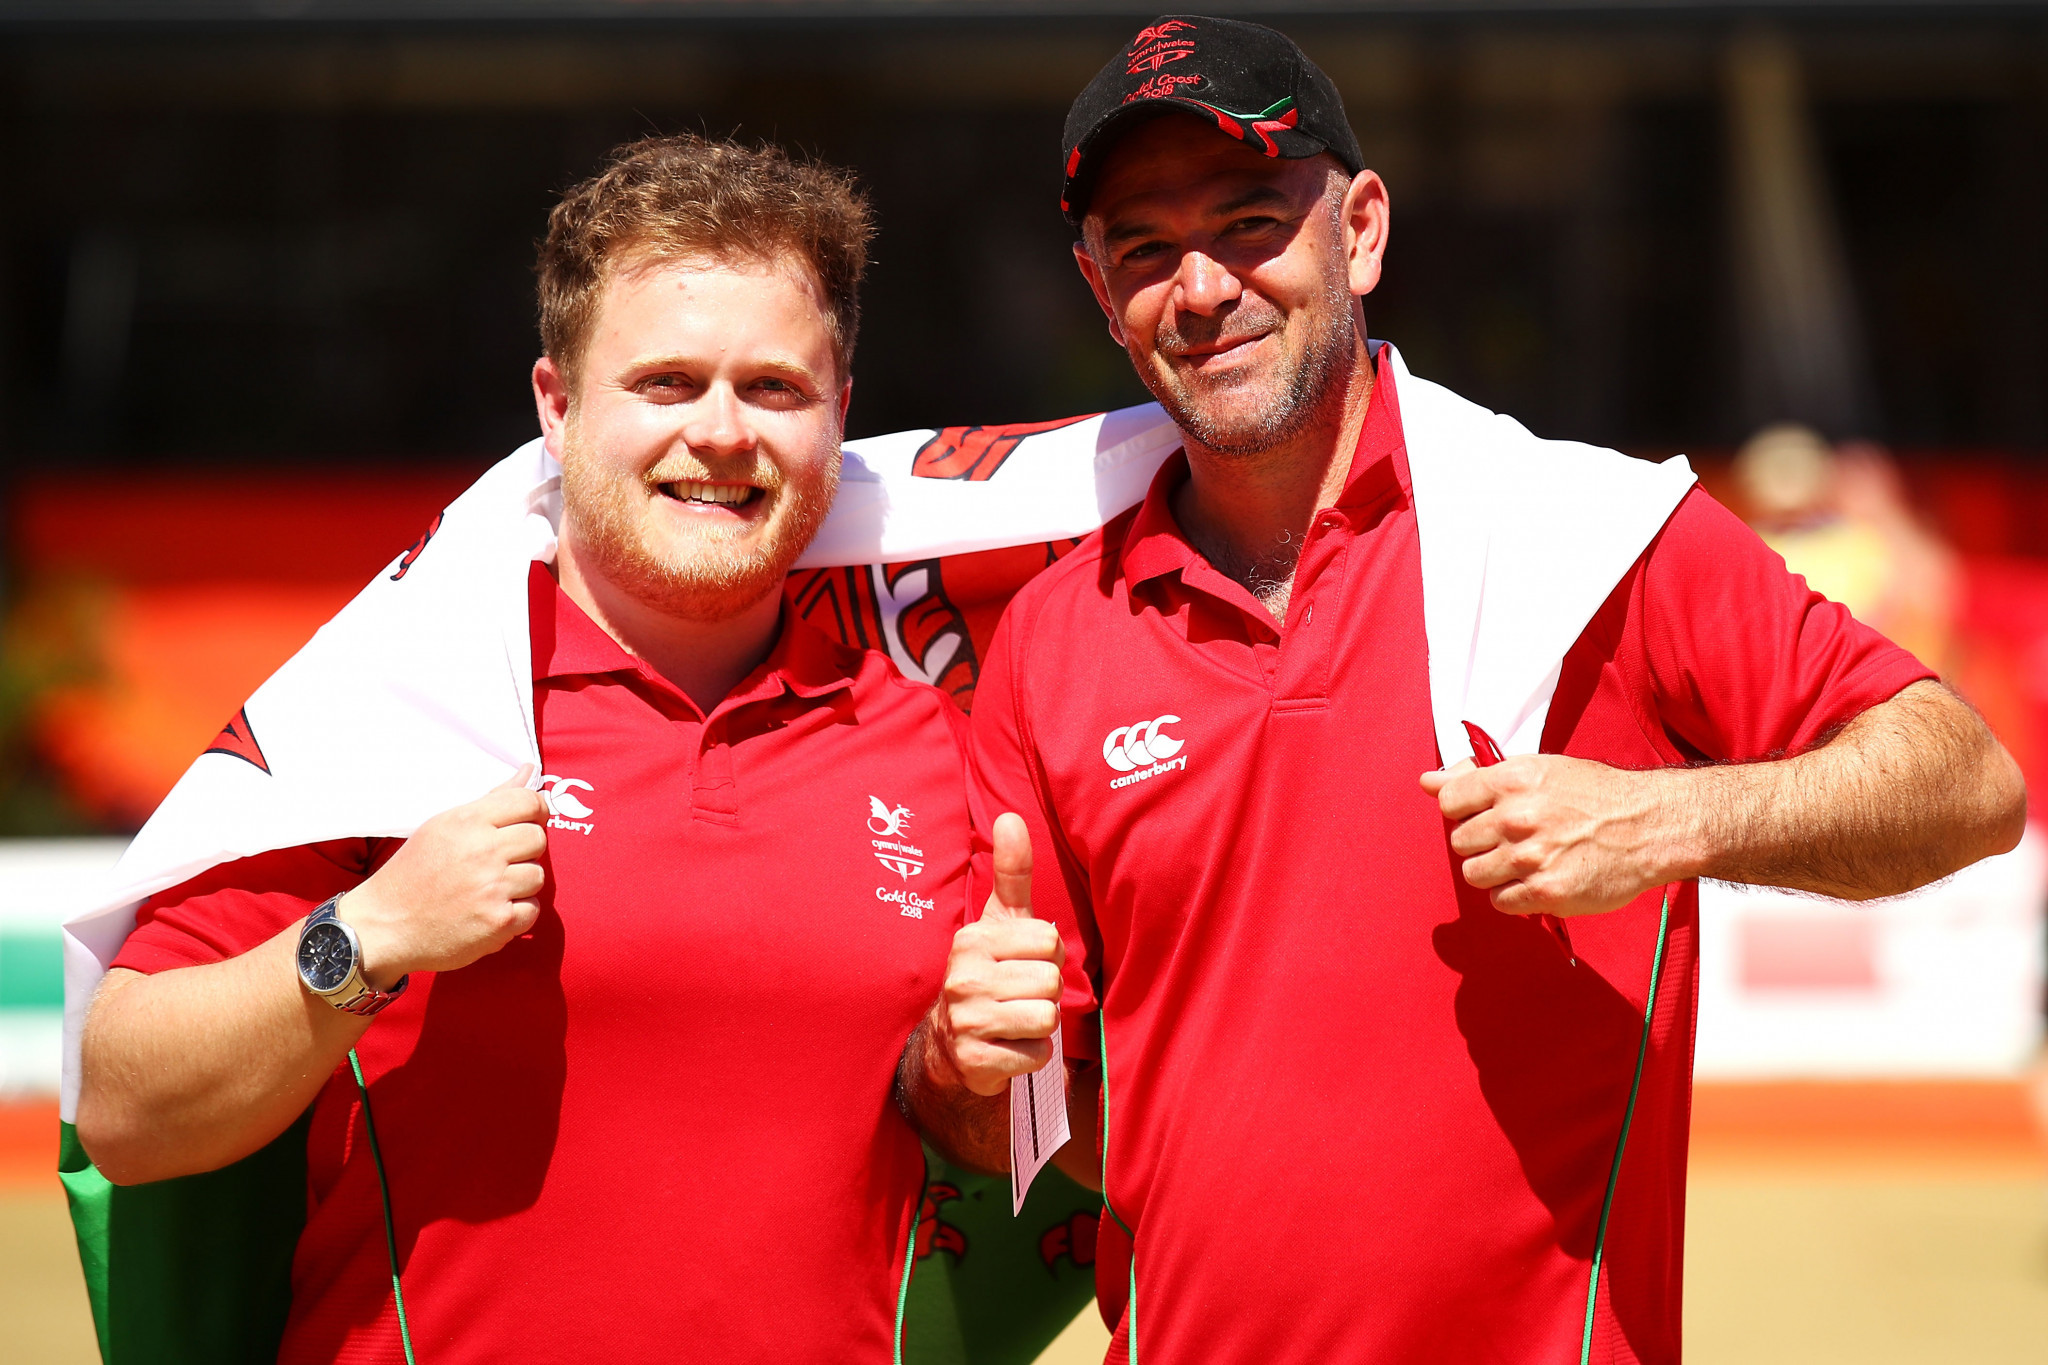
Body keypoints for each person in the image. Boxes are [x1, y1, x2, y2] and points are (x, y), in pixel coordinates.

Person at [901, 16, 2028, 1363]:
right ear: (1099, 292)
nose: (1200, 288)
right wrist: (965, 1069)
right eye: (1144, 248)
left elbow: (1969, 779)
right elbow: (1042, 1125)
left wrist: (1671, 822)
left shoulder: (1582, 534)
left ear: (1363, 230)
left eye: (1251, 221)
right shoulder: (1050, 636)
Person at [72, 133, 975, 1362]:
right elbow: (124, 1108)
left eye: (773, 388)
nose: (719, 433)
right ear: (555, 406)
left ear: (840, 415)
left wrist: (964, 1078)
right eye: (663, 383)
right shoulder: (414, 693)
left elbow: (994, 1142)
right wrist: (371, 934)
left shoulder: (932, 733)